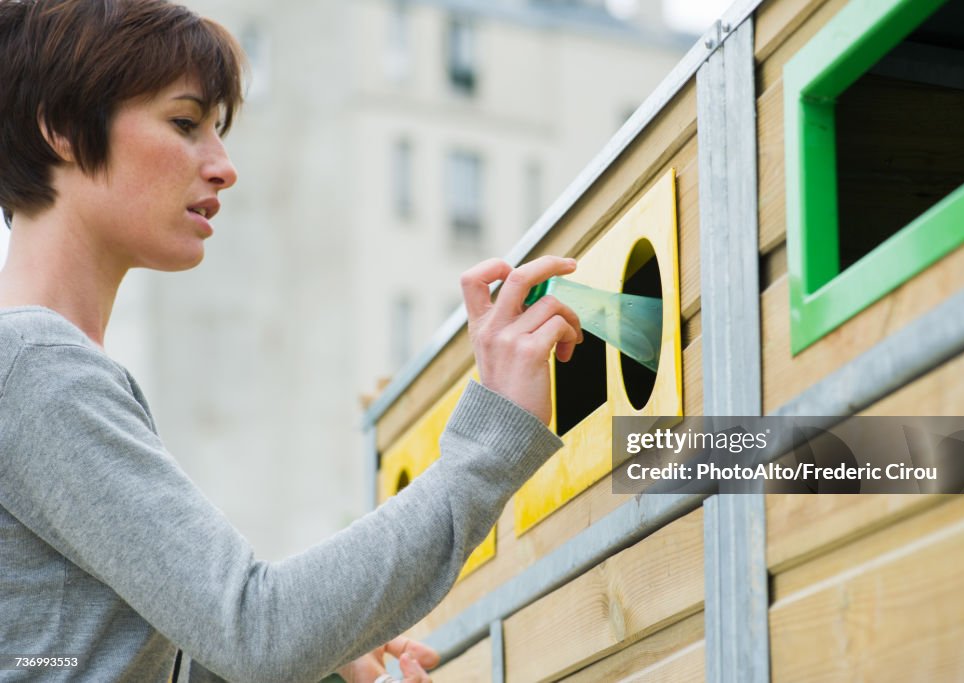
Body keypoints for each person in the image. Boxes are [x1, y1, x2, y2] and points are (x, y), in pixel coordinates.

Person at [0, 1, 582, 681]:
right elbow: (259, 628)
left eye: (218, 131)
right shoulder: (38, 368)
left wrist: (328, 660)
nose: (223, 165)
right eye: (185, 123)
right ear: (63, 129)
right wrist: (494, 440)